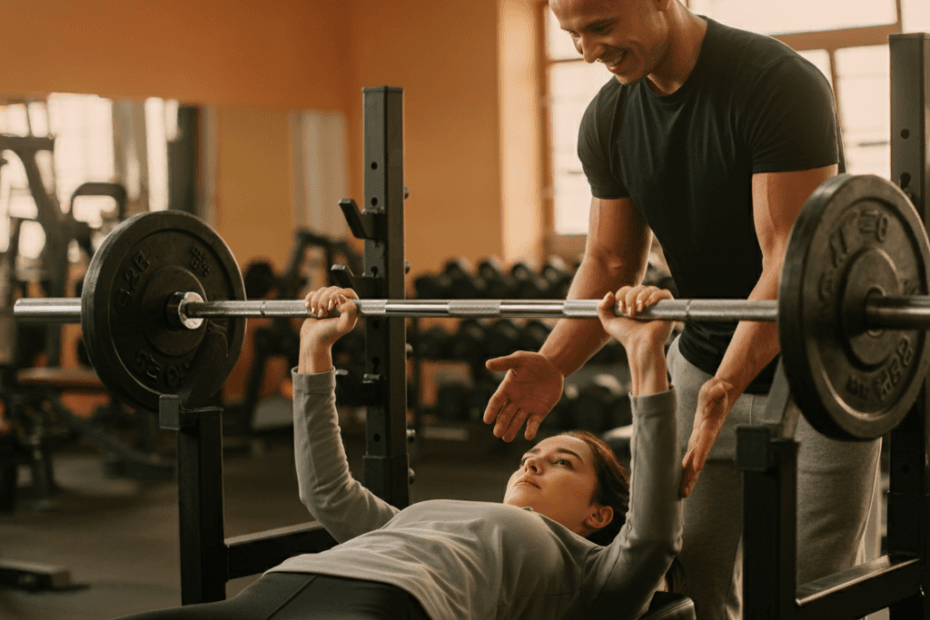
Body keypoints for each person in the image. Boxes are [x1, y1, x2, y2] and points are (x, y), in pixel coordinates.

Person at [481, 1, 881, 619]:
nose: (588, 52)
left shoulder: (776, 82)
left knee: (813, 586)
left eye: (602, 27)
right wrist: (555, 361)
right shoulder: (609, 117)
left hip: (821, 366)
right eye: (572, 34)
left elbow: (787, 261)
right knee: (687, 574)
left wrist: (726, 388)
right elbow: (612, 261)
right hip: (701, 356)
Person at [110, 284, 681, 620]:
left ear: (600, 515)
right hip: (275, 591)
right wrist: (316, 349)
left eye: (563, 462)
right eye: (535, 454)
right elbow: (327, 494)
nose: (532, 460)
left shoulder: (588, 571)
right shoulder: (421, 518)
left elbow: (653, 538)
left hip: (386, 608)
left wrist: (644, 353)